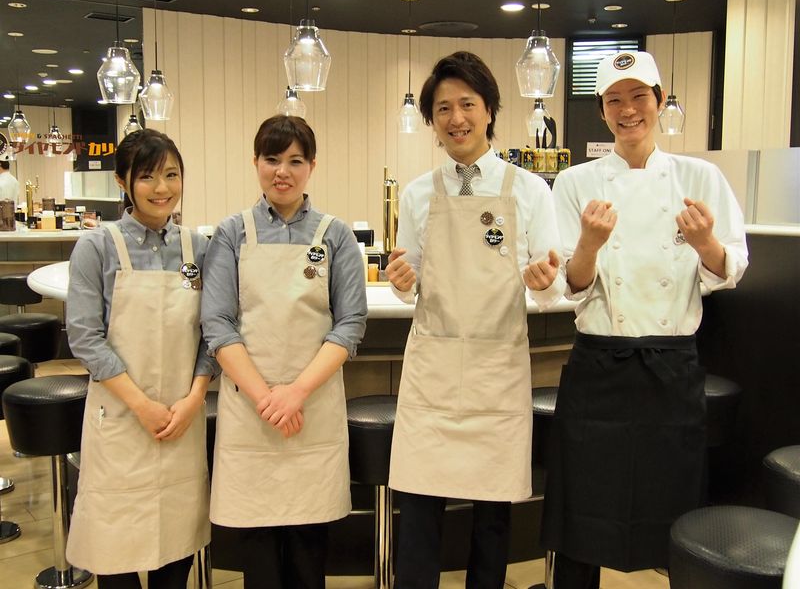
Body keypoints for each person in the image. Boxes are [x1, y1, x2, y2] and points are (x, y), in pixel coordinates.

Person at [540, 51, 749, 588]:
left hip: (671, 366)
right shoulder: (574, 182)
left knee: (673, 507)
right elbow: (570, 285)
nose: (627, 109)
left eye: (638, 97)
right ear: (602, 111)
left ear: (658, 101)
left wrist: (705, 243)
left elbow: (731, 268)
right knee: (582, 505)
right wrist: (589, 245)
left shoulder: (700, 176)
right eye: (614, 100)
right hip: (599, 363)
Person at [386, 51, 566, 588]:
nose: (456, 118)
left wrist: (543, 281)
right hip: (433, 370)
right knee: (419, 508)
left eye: (467, 104)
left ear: (489, 109)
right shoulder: (419, 194)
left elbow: (553, 284)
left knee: (492, 514)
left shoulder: (529, 189)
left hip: (496, 368)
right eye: (443, 108)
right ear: (432, 119)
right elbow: (408, 281)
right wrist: (401, 281)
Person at [201, 115, 367, 589]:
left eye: (295, 161)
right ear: (255, 162)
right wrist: (266, 398)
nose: (282, 171)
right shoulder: (232, 233)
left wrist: (295, 393)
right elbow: (217, 323)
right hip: (250, 406)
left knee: (308, 541)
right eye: (272, 159)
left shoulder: (335, 235)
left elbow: (350, 324)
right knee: (258, 542)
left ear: (312, 166)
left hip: (312, 404)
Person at [66, 129, 215, 588]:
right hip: (121, 417)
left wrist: (195, 398)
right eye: (147, 176)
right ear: (122, 182)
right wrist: (142, 405)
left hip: (181, 418)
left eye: (172, 174)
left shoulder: (198, 248)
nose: (162, 187)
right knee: (116, 551)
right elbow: (85, 338)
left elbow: (213, 332)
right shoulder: (97, 246)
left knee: (177, 547)